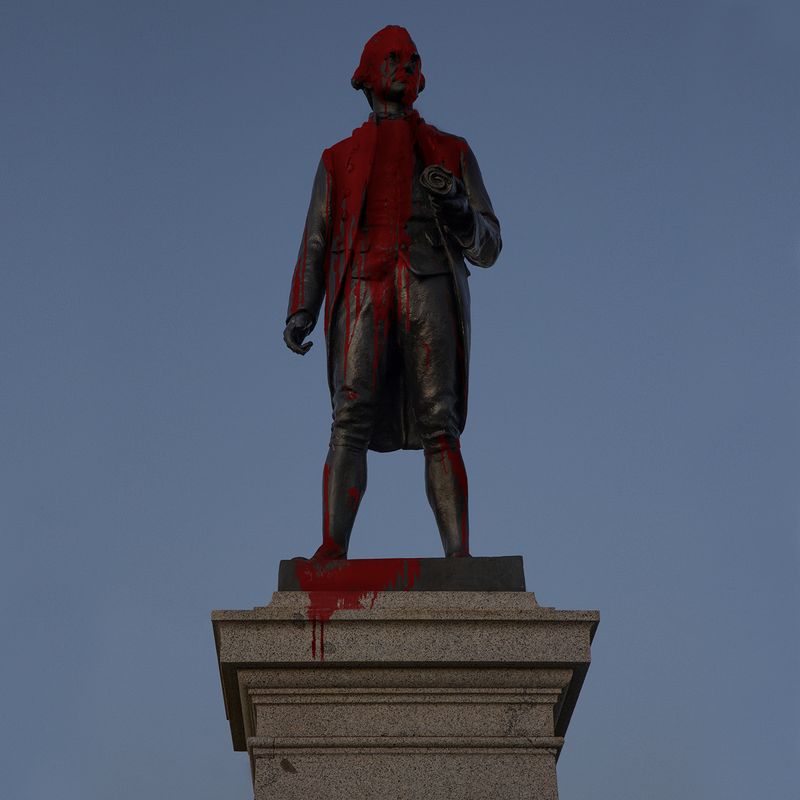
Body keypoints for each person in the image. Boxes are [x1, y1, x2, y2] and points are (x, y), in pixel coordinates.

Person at [284, 25, 501, 560]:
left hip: (427, 280)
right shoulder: (338, 158)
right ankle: (333, 546)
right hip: (361, 285)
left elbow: (489, 244)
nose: (405, 65)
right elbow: (316, 237)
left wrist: (455, 204)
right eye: (393, 57)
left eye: (412, 58)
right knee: (348, 417)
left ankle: (458, 557)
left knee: (440, 421)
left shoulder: (453, 150)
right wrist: (302, 308)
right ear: (367, 74)